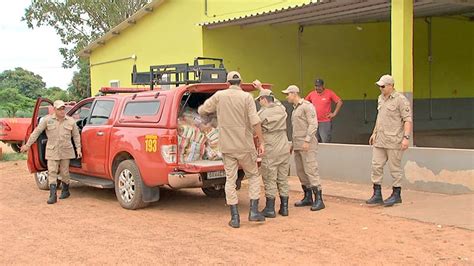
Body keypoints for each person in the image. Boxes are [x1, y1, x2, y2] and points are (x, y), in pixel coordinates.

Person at [198, 71, 266, 228]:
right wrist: (261, 142)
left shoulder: (219, 96)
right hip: (245, 146)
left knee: (230, 179)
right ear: (240, 83)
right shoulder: (246, 97)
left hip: (227, 147)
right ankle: (253, 212)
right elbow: (255, 121)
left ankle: (234, 217)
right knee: (254, 176)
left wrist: (213, 115)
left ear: (227, 83)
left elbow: (203, 110)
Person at [21, 100, 82, 204]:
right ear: (54, 110)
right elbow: (36, 132)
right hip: (52, 150)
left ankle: (65, 190)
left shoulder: (70, 121)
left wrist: (78, 149)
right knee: (52, 172)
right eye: (59, 109)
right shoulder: (47, 120)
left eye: (63, 109)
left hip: (66, 150)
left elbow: (76, 136)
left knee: (65, 173)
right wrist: (27, 145)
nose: (62, 111)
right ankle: (52, 195)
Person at [366, 74, 412, 207]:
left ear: (391, 86)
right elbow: (379, 117)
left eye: (383, 86)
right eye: (379, 86)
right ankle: (377, 193)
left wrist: (406, 138)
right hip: (380, 140)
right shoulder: (381, 99)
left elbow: (407, 120)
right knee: (376, 166)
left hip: (394, 140)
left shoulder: (400, 100)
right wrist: (374, 133)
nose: (380, 88)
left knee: (394, 169)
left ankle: (396, 194)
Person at [282, 85, 325, 211]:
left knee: (311, 169)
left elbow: (313, 124)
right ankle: (308, 196)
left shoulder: (307, 106)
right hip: (298, 145)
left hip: (307, 145)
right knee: (301, 171)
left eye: (288, 94)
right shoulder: (295, 109)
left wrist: (307, 140)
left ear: (294, 93)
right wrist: (292, 144)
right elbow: (296, 129)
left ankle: (319, 199)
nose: (287, 97)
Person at [255, 88, 291, 217]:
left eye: (260, 100)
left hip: (271, 146)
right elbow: (277, 102)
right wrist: (261, 88)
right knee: (283, 178)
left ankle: (270, 208)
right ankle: (284, 207)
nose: (259, 103)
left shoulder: (262, 114)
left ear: (264, 99)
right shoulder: (282, 109)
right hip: (284, 145)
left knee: (270, 177)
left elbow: (254, 129)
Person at [305, 78, 343, 143]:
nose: (317, 88)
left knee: (325, 141)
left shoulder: (329, 93)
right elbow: (305, 103)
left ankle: (326, 153)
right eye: (316, 86)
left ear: (323, 86)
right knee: (315, 141)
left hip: (325, 122)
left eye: (319, 86)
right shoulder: (312, 94)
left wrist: (334, 113)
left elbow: (339, 102)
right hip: (314, 122)